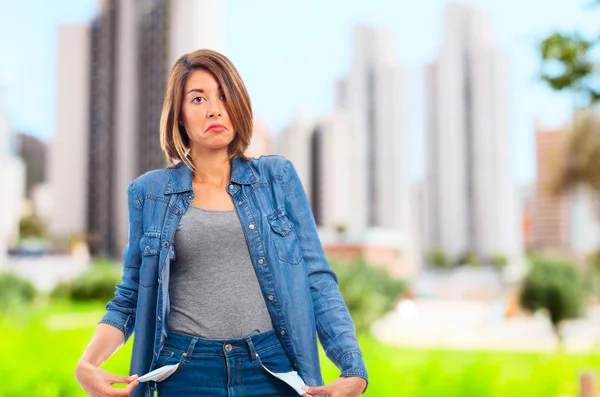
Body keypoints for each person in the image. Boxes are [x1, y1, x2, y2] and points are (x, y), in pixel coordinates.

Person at [75, 49, 368, 397]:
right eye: (198, 98)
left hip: (272, 369)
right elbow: (132, 294)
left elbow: (316, 279)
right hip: (186, 372)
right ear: (180, 116)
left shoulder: (277, 179)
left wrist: (353, 369)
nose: (214, 108)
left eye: (224, 96)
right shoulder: (148, 193)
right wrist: (87, 364)